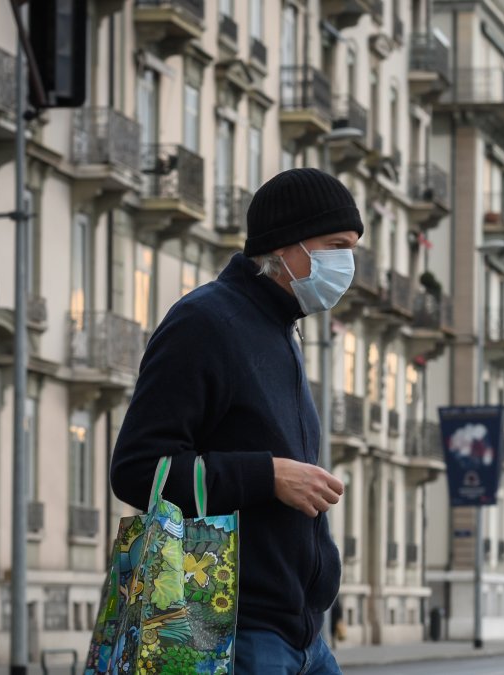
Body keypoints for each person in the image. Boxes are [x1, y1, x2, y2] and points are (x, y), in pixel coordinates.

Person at [110, 168, 362, 674]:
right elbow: (137, 470)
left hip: (303, 635)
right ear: (285, 245)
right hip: (228, 629)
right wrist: (268, 475)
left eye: (352, 249)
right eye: (336, 247)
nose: (347, 265)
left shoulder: (280, 329)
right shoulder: (206, 322)